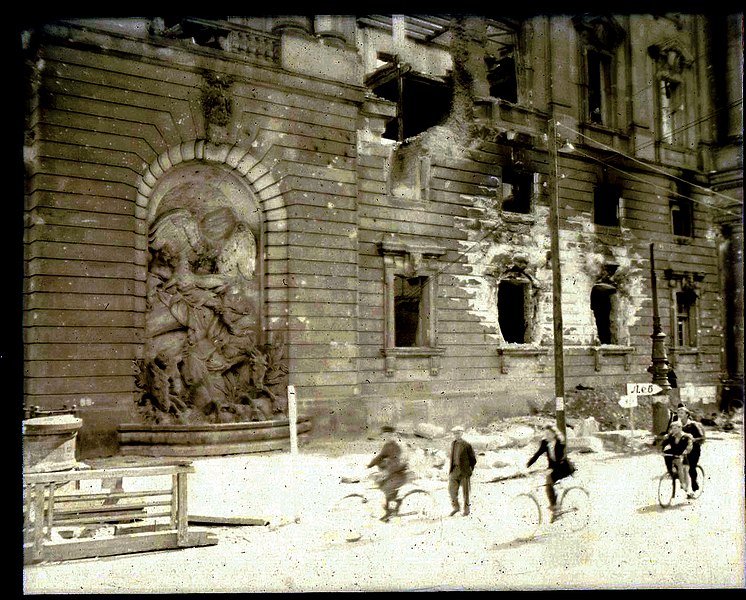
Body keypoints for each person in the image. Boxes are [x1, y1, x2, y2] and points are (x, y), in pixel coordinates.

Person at [526, 424, 576, 522]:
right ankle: (555, 511)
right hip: (553, 469)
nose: (547, 436)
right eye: (545, 434)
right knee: (549, 486)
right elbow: (537, 454)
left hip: (563, 468)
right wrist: (527, 465)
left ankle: (555, 510)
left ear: (554, 434)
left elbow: (561, 459)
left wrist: (551, 469)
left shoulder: (560, 443)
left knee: (549, 484)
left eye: (549, 434)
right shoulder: (545, 443)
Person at [367, 425, 411, 522]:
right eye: (384, 435)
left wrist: (388, 471)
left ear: (393, 434)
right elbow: (381, 456)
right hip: (392, 471)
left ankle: (391, 510)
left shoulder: (398, 445)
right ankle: (392, 506)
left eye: (388, 435)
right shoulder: (388, 445)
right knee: (382, 486)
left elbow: (399, 461)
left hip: (401, 472)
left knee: (388, 487)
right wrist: (370, 464)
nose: (386, 437)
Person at [661, 420, 695, 498]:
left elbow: (689, 446)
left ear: (680, 428)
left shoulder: (687, 436)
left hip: (683, 456)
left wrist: (684, 453)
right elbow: (665, 445)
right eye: (672, 428)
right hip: (673, 456)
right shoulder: (671, 436)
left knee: (685, 471)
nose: (673, 430)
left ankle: (689, 489)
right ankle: (680, 480)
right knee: (673, 470)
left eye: (675, 428)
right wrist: (663, 451)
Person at [676, 405, 706, 494]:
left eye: (682, 413)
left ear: (687, 414)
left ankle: (694, 484)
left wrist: (693, 439)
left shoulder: (693, 425)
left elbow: (702, 437)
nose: (679, 414)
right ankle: (684, 484)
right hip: (682, 450)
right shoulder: (677, 425)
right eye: (678, 413)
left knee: (691, 468)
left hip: (694, 450)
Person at [448, 425, 477, 517]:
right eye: (455, 433)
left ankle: (467, 510)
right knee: (451, 490)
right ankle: (456, 507)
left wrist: (469, 470)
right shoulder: (453, 444)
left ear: (462, 433)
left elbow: (473, 459)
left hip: (464, 472)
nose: (456, 435)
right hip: (455, 470)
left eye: (458, 433)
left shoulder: (467, 445)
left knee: (466, 492)